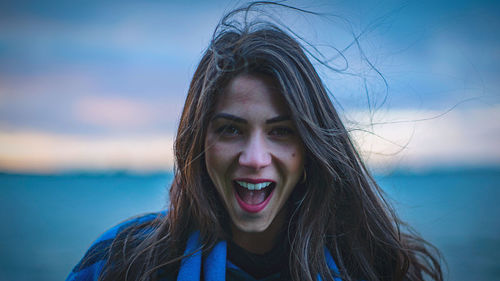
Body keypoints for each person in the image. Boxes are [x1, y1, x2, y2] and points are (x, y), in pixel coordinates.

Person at [67, 3, 443, 281]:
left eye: (281, 131)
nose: (255, 157)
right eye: (231, 129)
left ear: (311, 148)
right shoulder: (120, 263)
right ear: (198, 142)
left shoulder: (376, 269)